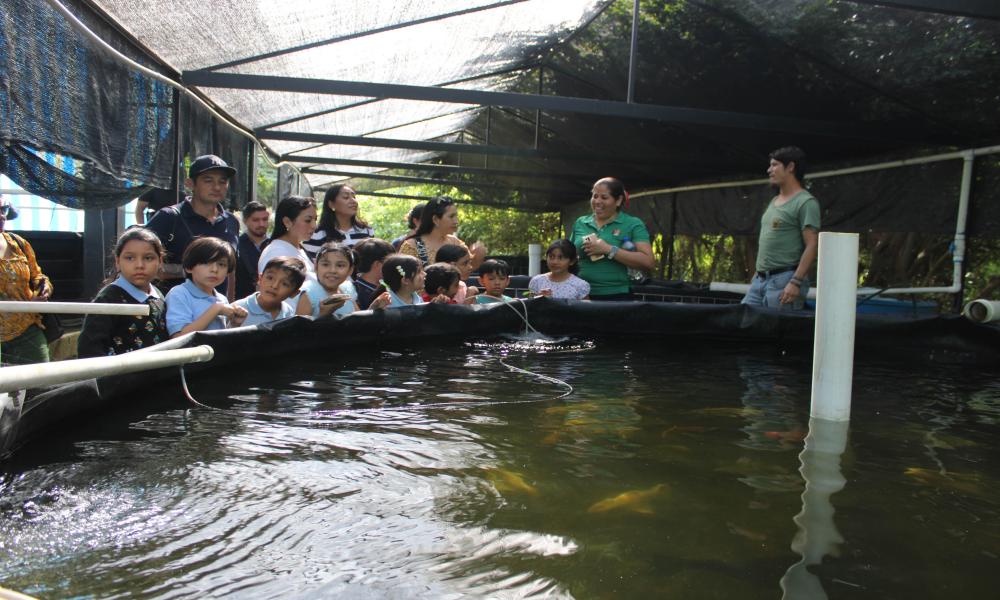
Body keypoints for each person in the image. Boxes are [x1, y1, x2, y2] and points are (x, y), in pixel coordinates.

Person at [146, 155, 241, 297]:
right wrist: (186, 269)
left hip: (217, 312)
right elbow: (142, 263)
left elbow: (231, 271)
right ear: (190, 184)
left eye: (222, 181)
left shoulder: (231, 221)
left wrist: (230, 307)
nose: (216, 187)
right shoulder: (169, 217)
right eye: (208, 180)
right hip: (175, 312)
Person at [742, 146, 820, 310]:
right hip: (760, 280)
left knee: (775, 331)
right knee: (744, 321)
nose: (769, 170)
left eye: (775, 165)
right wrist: (759, 272)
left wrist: (796, 282)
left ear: (791, 167)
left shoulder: (806, 202)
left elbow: (812, 244)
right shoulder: (774, 200)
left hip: (785, 280)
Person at [78, 228, 168, 357]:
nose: (139, 265)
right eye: (130, 258)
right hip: (119, 375)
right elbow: (89, 349)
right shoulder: (107, 299)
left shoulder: (158, 296)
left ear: (160, 261)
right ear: (117, 261)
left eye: (148, 258)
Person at [571, 177, 655, 301]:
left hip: (616, 295)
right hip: (579, 293)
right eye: (595, 196)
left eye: (604, 197)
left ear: (618, 200)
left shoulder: (632, 224)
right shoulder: (581, 222)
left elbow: (648, 262)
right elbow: (568, 256)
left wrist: (609, 249)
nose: (597, 201)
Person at [0, 196, 53, 365]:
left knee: (43, 385)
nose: (1, 216)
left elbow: (38, 275)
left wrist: (43, 289)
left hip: (27, 331)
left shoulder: (18, 243)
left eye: (3, 210)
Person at [165, 237, 248, 337]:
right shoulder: (179, 294)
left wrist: (235, 324)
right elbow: (178, 337)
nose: (214, 269)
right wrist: (215, 309)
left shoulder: (221, 299)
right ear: (189, 267)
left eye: (221, 264)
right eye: (206, 263)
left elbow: (222, 337)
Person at [399, 196, 486, 268]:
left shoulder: (455, 242)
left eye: (456, 216)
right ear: (436, 219)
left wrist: (477, 257)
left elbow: (468, 268)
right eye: (451, 216)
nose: (456, 221)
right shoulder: (412, 246)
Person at [303, 184, 373, 259]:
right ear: (331, 204)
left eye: (354, 197)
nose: (353, 201)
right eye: (346, 197)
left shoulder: (367, 231)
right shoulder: (316, 234)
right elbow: (311, 265)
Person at [234, 256, 306, 327]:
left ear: (294, 293)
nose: (274, 286)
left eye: (284, 284)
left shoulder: (289, 314)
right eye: (270, 278)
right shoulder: (237, 309)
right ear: (260, 278)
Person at [258, 196, 317, 279]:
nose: (314, 226)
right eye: (308, 220)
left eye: (315, 219)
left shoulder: (299, 248)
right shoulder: (276, 252)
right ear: (287, 222)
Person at [297, 242, 357, 318]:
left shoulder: (347, 290)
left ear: (350, 270)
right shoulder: (308, 293)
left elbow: (358, 320)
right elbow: (298, 328)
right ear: (316, 267)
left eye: (340, 265)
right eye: (325, 264)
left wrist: (372, 308)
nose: (332, 270)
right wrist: (324, 314)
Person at [234, 201, 270, 299]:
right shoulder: (236, 245)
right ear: (245, 221)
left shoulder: (274, 245)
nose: (261, 224)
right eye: (256, 220)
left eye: (265, 219)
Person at [352, 238, 395, 310]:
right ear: (377, 264)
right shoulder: (354, 291)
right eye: (391, 262)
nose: (394, 266)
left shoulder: (387, 286)